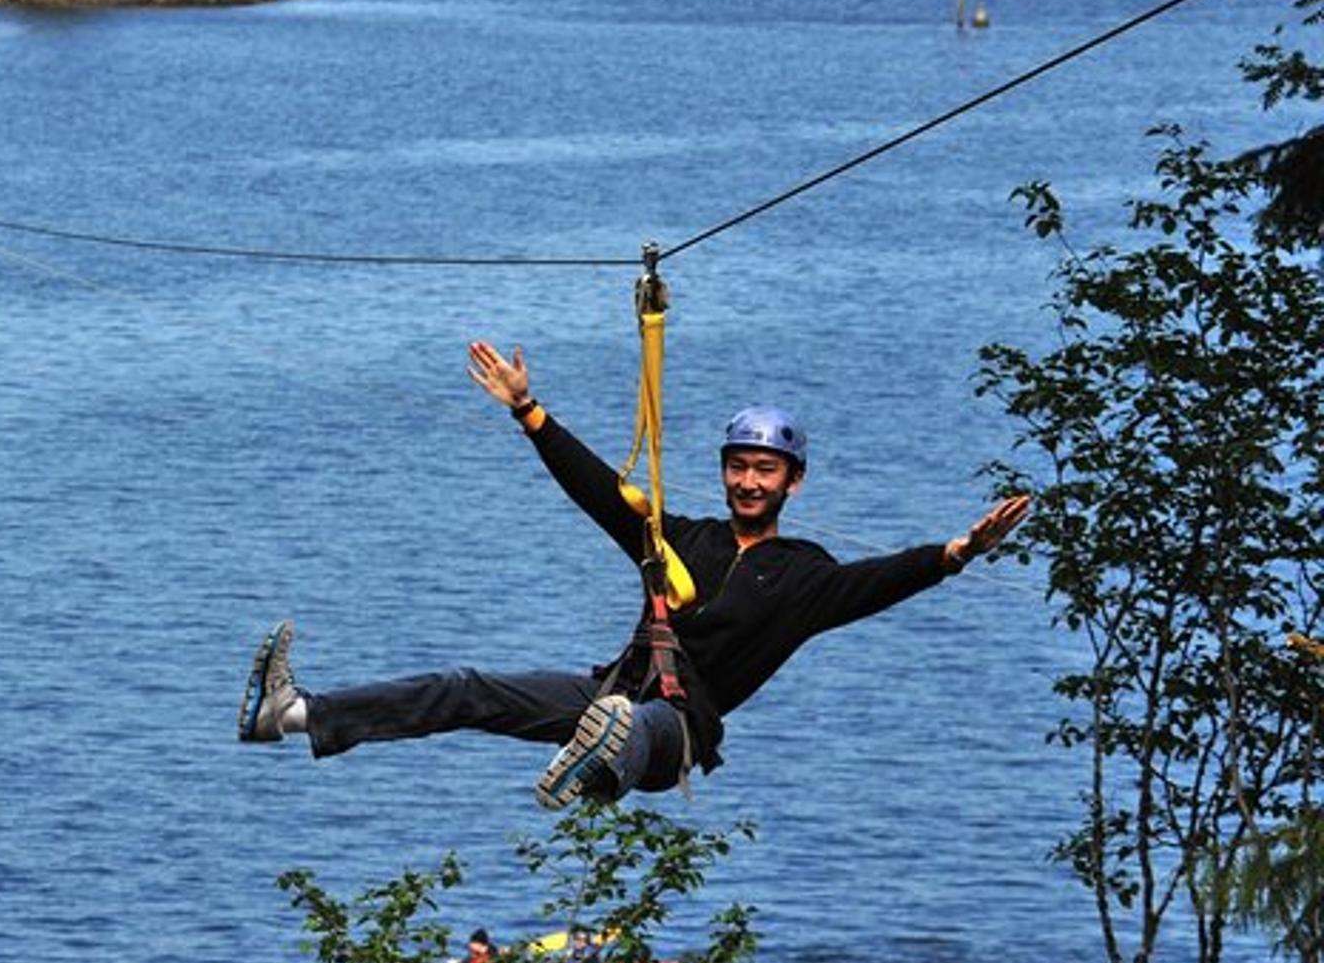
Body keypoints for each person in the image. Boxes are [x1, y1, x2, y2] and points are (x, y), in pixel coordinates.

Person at [238, 340, 1031, 809]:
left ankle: (597, 767)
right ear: (724, 475)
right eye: (738, 468)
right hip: (609, 689)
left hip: (678, 731)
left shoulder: (805, 577)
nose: (750, 482)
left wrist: (957, 551)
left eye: (766, 471)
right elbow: (598, 493)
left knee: (636, 725)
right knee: (468, 687)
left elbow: (880, 579)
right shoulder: (679, 539)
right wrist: (529, 410)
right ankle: (293, 714)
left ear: (794, 482)